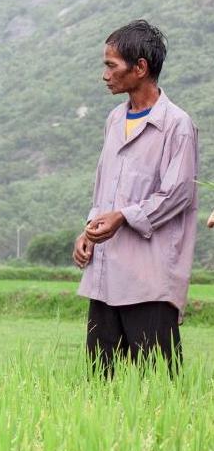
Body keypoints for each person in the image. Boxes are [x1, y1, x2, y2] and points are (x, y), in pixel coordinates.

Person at [72, 20, 198, 376]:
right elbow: (104, 188)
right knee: (100, 381)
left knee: (156, 385)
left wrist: (122, 217)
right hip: (106, 276)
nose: (105, 75)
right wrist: (89, 231)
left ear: (140, 68)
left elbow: (177, 193)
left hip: (150, 280)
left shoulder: (177, 125)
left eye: (111, 65)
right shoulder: (114, 120)